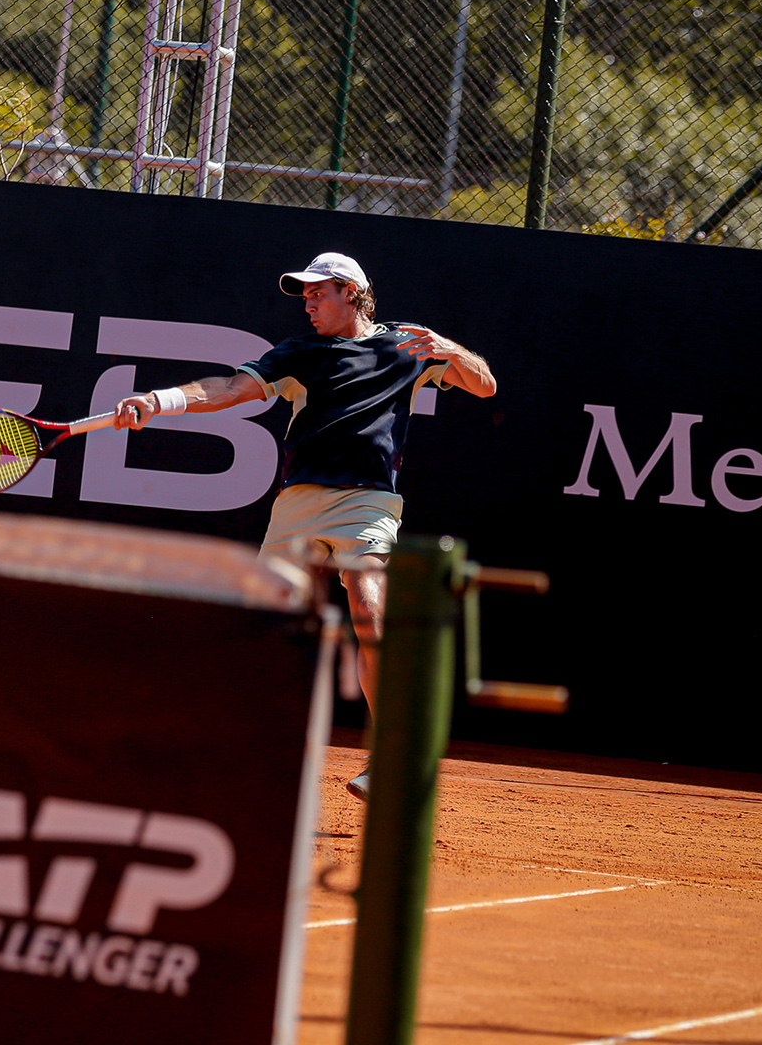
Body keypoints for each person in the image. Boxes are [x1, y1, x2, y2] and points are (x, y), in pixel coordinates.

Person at [113, 252, 496, 799]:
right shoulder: (299, 353)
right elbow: (226, 390)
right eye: (305, 295)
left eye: (319, 293)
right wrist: (158, 400)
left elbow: (485, 387)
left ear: (352, 293)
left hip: (367, 503)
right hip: (297, 504)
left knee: (368, 606)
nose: (309, 303)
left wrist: (449, 348)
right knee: (267, 626)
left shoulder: (407, 346)